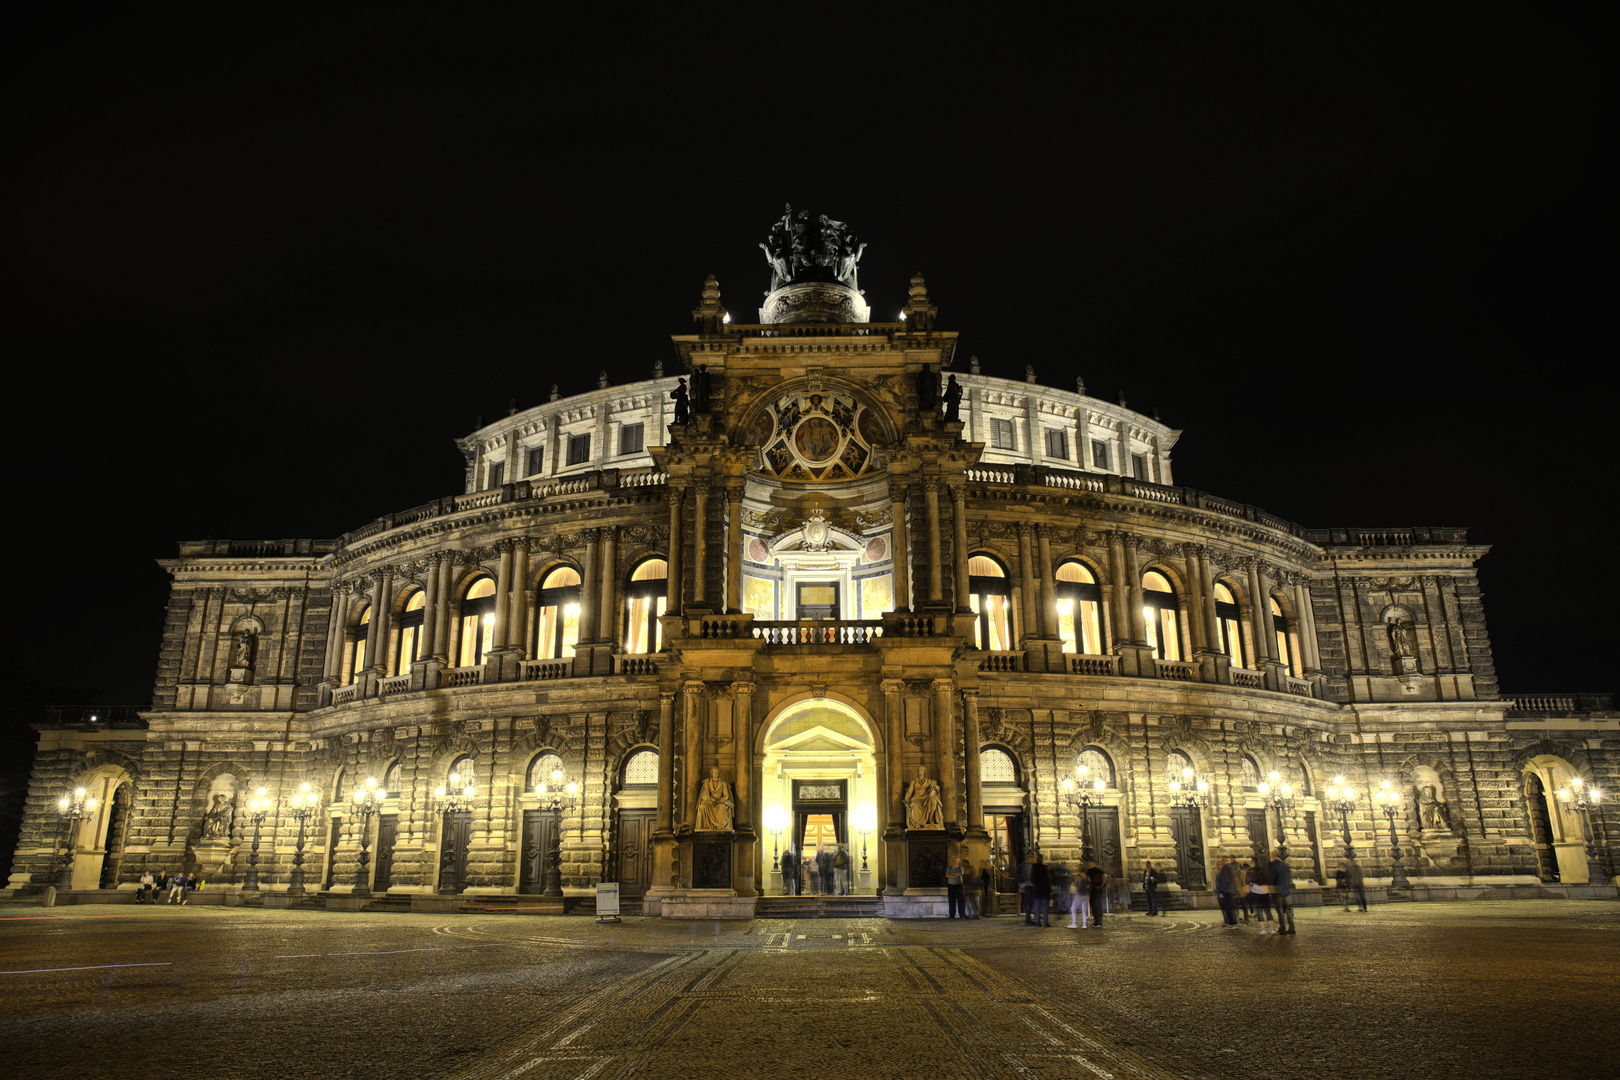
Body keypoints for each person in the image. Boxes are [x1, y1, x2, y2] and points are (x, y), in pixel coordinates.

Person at [1270, 848, 1296, 935]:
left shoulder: (1273, 865)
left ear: (1272, 855)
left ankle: (1282, 928)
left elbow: (1272, 877)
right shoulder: (1285, 865)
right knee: (1287, 908)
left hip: (1277, 889)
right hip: (1285, 889)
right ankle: (1292, 927)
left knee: (1279, 909)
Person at [1248, 859, 1275, 934]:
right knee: (1267, 911)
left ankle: (1263, 930)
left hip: (1255, 891)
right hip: (1264, 891)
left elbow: (1247, 881)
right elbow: (1269, 880)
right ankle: (1272, 929)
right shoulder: (1263, 870)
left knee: (1259, 911)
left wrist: (1251, 883)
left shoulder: (1250, 871)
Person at [1215, 857, 1241, 928]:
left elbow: (1224, 880)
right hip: (1232, 889)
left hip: (1227, 890)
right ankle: (1233, 922)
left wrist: (1221, 889)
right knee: (1232, 907)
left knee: (1229, 907)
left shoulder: (1226, 868)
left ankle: (1232, 923)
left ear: (1224, 860)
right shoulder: (1233, 867)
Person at [1083, 857, 1108, 928]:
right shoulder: (1088, 871)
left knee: (1097, 905)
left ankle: (1099, 922)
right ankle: (1096, 921)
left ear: (1092, 862)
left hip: (1097, 890)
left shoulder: (1097, 870)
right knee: (1093, 905)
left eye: (1089, 862)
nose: (1087, 864)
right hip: (1091, 890)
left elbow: (1104, 877)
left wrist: (1101, 886)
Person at [1029, 852, 1051, 927]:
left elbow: (1032, 878)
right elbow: (1047, 880)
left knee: (1036, 907)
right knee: (1045, 907)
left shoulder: (1034, 867)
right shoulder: (1044, 868)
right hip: (1044, 890)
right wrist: (1049, 890)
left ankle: (1038, 922)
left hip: (1037, 890)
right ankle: (1046, 922)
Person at [946, 854, 965, 918]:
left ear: (958, 862)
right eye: (954, 861)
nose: (955, 862)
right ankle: (951, 915)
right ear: (952, 861)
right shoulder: (949, 868)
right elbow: (947, 875)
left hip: (958, 886)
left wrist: (952, 874)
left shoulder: (960, 868)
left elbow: (960, 873)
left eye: (956, 861)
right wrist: (956, 875)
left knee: (960, 901)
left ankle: (961, 915)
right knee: (951, 901)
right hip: (951, 886)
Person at [1017, 852, 1034, 920]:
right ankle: (1027, 916)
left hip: (1025, 884)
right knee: (1027, 900)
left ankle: (1025, 914)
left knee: (1026, 900)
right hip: (1027, 884)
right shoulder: (1026, 866)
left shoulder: (1022, 865)